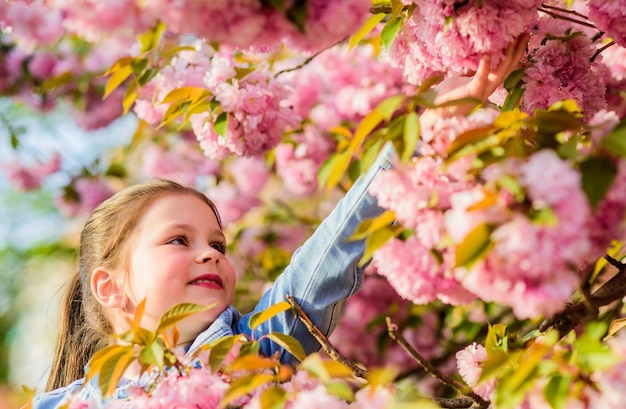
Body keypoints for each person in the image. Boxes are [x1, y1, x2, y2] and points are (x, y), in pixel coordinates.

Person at [30, 35, 528, 409]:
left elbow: (329, 256)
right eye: (178, 240)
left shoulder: (253, 351)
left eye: (217, 244)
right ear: (109, 286)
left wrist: (428, 133)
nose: (210, 253)